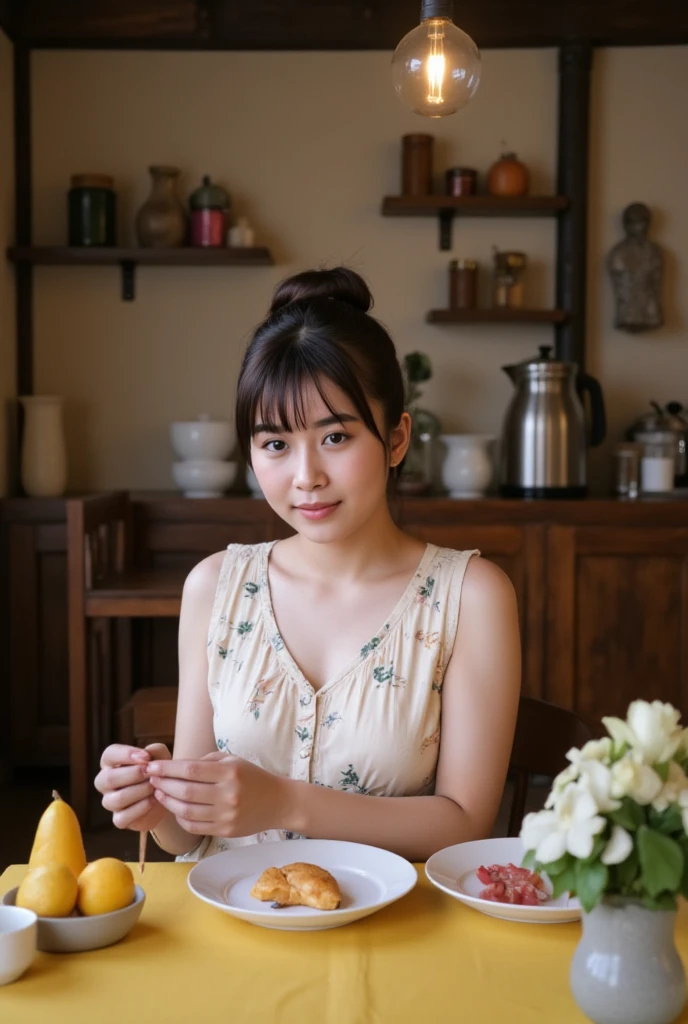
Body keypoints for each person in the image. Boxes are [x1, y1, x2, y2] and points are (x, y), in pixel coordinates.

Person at [95, 267, 521, 863]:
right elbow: (188, 838)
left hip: (396, 927)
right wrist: (163, 802)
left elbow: (465, 825)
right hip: (236, 924)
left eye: (336, 437)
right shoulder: (215, 587)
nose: (306, 477)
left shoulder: (470, 595)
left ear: (397, 439)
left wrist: (286, 803)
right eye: (275, 444)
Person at [607, 202, 664, 332]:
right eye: (635, 223)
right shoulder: (619, 252)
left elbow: (656, 283)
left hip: (650, 308)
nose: (640, 227)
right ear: (626, 225)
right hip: (629, 311)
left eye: (644, 222)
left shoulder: (654, 251)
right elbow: (621, 286)